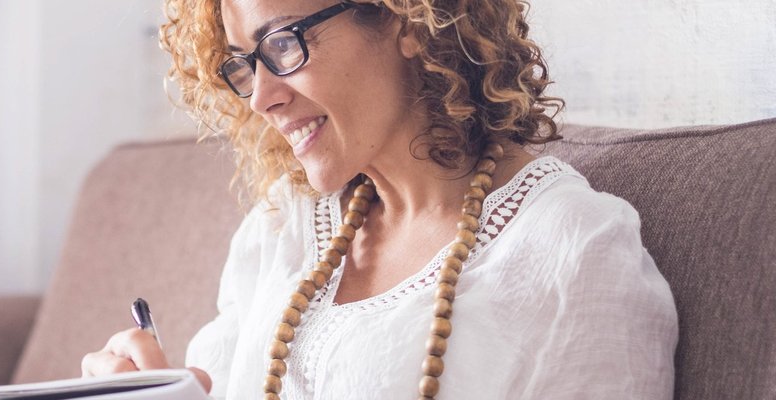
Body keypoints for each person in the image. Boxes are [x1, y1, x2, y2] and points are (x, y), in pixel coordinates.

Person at [81, 0, 679, 398]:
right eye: (243, 63)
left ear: (409, 21)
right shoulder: (284, 227)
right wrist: (152, 385)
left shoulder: (572, 253)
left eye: (283, 44)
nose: (261, 97)